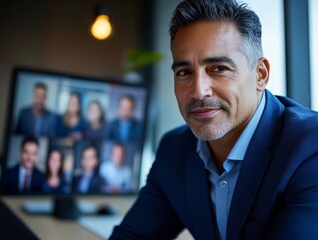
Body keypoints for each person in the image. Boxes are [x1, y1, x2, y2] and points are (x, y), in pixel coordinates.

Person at [110, 0, 318, 239]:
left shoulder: (310, 148)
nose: (198, 91)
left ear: (260, 75)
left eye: (219, 68)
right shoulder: (174, 150)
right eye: (184, 72)